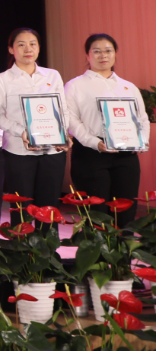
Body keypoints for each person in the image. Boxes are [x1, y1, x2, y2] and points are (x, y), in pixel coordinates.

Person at [65, 33, 150, 225]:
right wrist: (94, 142)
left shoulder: (128, 87)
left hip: (126, 156)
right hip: (91, 155)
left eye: (108, 51)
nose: (103, 55)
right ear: (87, 55)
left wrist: (142, 140)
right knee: (96, 214)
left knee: (126, 212)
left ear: (115, 54)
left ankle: (124, 246)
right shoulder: (75, 86)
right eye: (97, 51)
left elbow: (142, 118)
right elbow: (71, 120)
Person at [0, 28, 72, 210]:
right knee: (21, 209)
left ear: (39, 48)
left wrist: (62, 133)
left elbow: (63, 109)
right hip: (18, 152)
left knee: (49, 209)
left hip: (52, 152)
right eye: (21, 45)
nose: (28, 49)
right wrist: (23, 131)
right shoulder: (2, 79)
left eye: (32, 44)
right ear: (11, 49)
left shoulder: (52, 75)